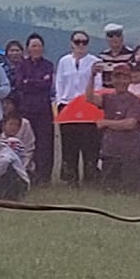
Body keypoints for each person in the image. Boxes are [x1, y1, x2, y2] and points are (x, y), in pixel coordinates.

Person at [10, 33, 57, 185]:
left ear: (43, 48)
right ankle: (26, 173)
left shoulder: (48, 65)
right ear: (28, 49)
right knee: (26, 143)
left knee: (45, 144)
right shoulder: (21, 65)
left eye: (39, 46)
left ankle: (44, 178)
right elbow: (20, 85)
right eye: (33, 46)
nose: (36, 49)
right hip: (26, 109)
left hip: (44, 110)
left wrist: (29, 81)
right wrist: (37, 82)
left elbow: (47, 85)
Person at [55, 31, 100, 186]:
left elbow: (98, 85)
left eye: (84, 42)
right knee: (69, 144)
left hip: (87, 106)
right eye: (77, 41)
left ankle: (90, 178)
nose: (81, 45)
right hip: (67, 105)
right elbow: (59, 83)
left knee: (89, 144)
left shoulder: (94, 61)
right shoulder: (64, 61)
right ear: (71, 43)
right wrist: (60, 102)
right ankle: (70, 178)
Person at [95, 65, 140, 189]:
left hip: (129, 153)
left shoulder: (135, 101)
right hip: (110, 151)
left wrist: (106, 123)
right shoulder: (107, 98)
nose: (121, 81)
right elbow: (89, 98)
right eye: (117, 78)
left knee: (129, 188)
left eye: (124, 78)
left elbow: (130, 124)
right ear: (112, 80)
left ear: (129, 80)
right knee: (109, 188)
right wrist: (92, 77)